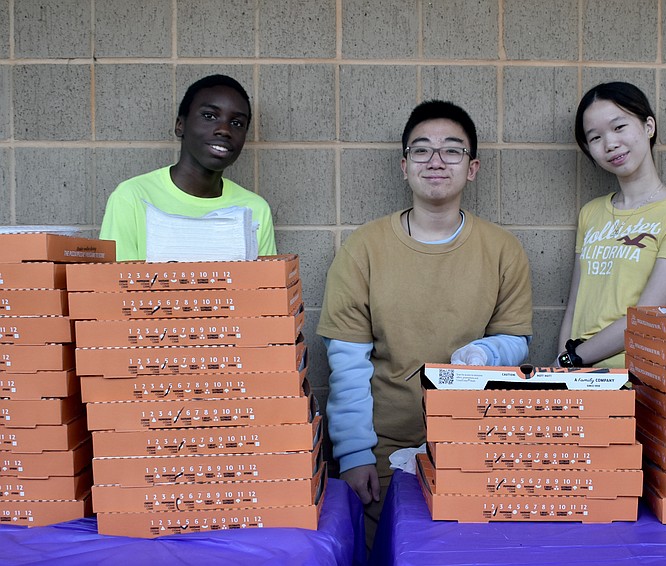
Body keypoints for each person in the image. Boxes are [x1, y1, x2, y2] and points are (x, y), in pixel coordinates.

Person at [317, 100, 533, 543]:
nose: (436, 161)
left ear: (471, 168)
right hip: (382, 448)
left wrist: (487, 352)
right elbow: (346, 363)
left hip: (476, 445)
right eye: (422, 150)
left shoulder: (503, 249)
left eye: (452, 151)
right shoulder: (364, 248)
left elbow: (516, 339)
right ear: (404, 166)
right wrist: (355, 454)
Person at [556, 82, 666, 368]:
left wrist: (574, 357)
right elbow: (575, 305)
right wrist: (561, 365)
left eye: (619, 127)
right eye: (595, 137)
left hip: (632, 374)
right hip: (576, 371)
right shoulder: (591, 213)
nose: (610, 143)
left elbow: (646, 314)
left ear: (649, 126)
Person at [100, 74, 276, 261]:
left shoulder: (254, 209)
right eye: (209, 116)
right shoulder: (132, 197)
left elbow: (267, 288)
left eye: (237, 123)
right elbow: (114, 287)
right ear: (180, 125)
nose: (224, 129)